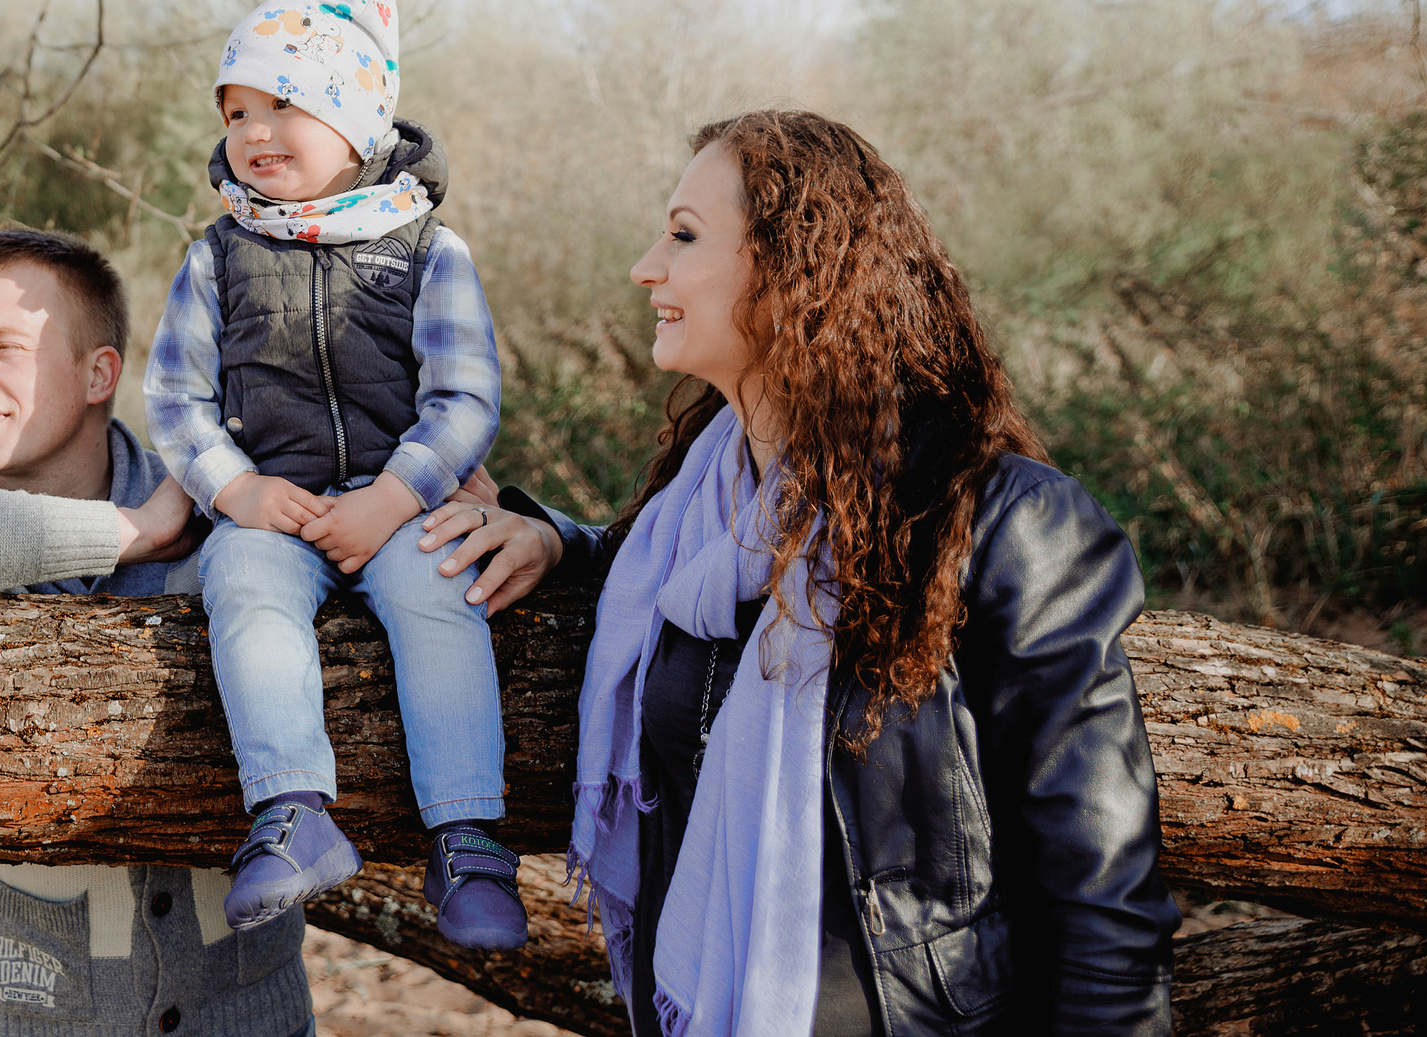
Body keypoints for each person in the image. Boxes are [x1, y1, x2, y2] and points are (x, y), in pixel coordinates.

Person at [415, 109, 1179, 1036]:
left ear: (793, 270)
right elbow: (654, 573)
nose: (646, 267)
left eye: (684, 235)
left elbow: (1103, 898)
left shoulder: (1000, 521)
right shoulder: (693, 517)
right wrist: (558, 544)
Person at [0, 229, 316, 1037]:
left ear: (99, 374)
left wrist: (530, 528)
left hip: (251, 1020)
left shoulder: (216, 505)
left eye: (4, 348)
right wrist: (134, 533)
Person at [143, 0, 527, 949]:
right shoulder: (217, 256)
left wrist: (395, 496)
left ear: (355, 121)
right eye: (236, 111)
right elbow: (176, 397)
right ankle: (292, 810)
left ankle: (468, 835)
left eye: (282, 103)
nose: (253, 131)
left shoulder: (427, 249)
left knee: (440, 586)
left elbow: (464, 395)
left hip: (400, 501)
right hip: (277, 505)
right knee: (242, 579)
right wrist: (234, 486)